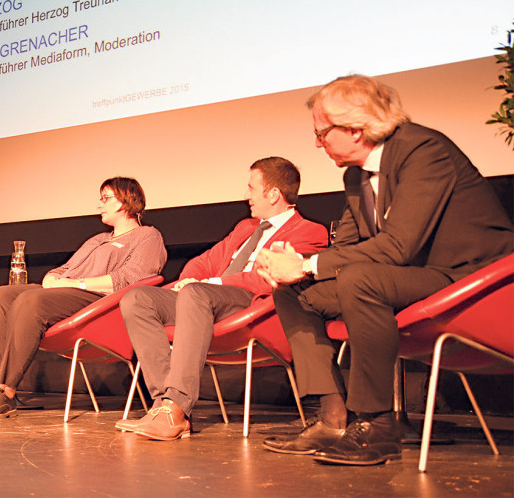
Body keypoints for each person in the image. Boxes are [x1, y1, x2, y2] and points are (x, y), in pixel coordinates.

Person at [255, 74, 514, 466]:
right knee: (290, 289)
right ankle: (333, 416)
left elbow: (397, 245)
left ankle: (377, 426)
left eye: (322, 134)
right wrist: (291, 268)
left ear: (356, 129)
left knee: (360, 279)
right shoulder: (355, 175)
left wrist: (307, 264)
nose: (317, 144)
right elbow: (352, 244)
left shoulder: (423, 149)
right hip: (412, 276)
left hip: (472, 278)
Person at [117, 157, 328, 440]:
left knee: (196, 293)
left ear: (273, 194)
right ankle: (164, 406)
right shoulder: (246, 227)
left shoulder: (309, 231)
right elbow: (204, 260)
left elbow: (268, 278)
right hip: (203, 297)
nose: (246, 196)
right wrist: (188, 280)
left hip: (250, 304)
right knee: (137, 299)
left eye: (252, 188)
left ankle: (176, 407)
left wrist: (207, 283)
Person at [0, 177, 167, 419]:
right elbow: (64, 268)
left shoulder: (147, 236)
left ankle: (7, 391)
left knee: (31, 301)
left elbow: (130, 278)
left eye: (106, 198)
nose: (100, 205)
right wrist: (52, 278)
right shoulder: (98, 239)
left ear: (126, 201)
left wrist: (75, 283)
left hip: (96, 301)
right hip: (64, 292)